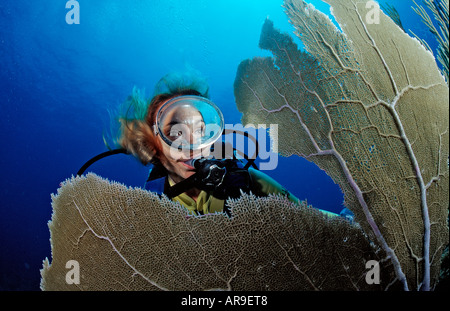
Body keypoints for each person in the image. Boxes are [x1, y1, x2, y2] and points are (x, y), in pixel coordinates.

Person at [114, 73, 336, 217]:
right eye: (176, 132)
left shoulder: (244, 180)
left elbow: (313, 219)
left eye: (201, 130)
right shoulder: (148, 207)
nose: (194, 145)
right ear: (153, 146)